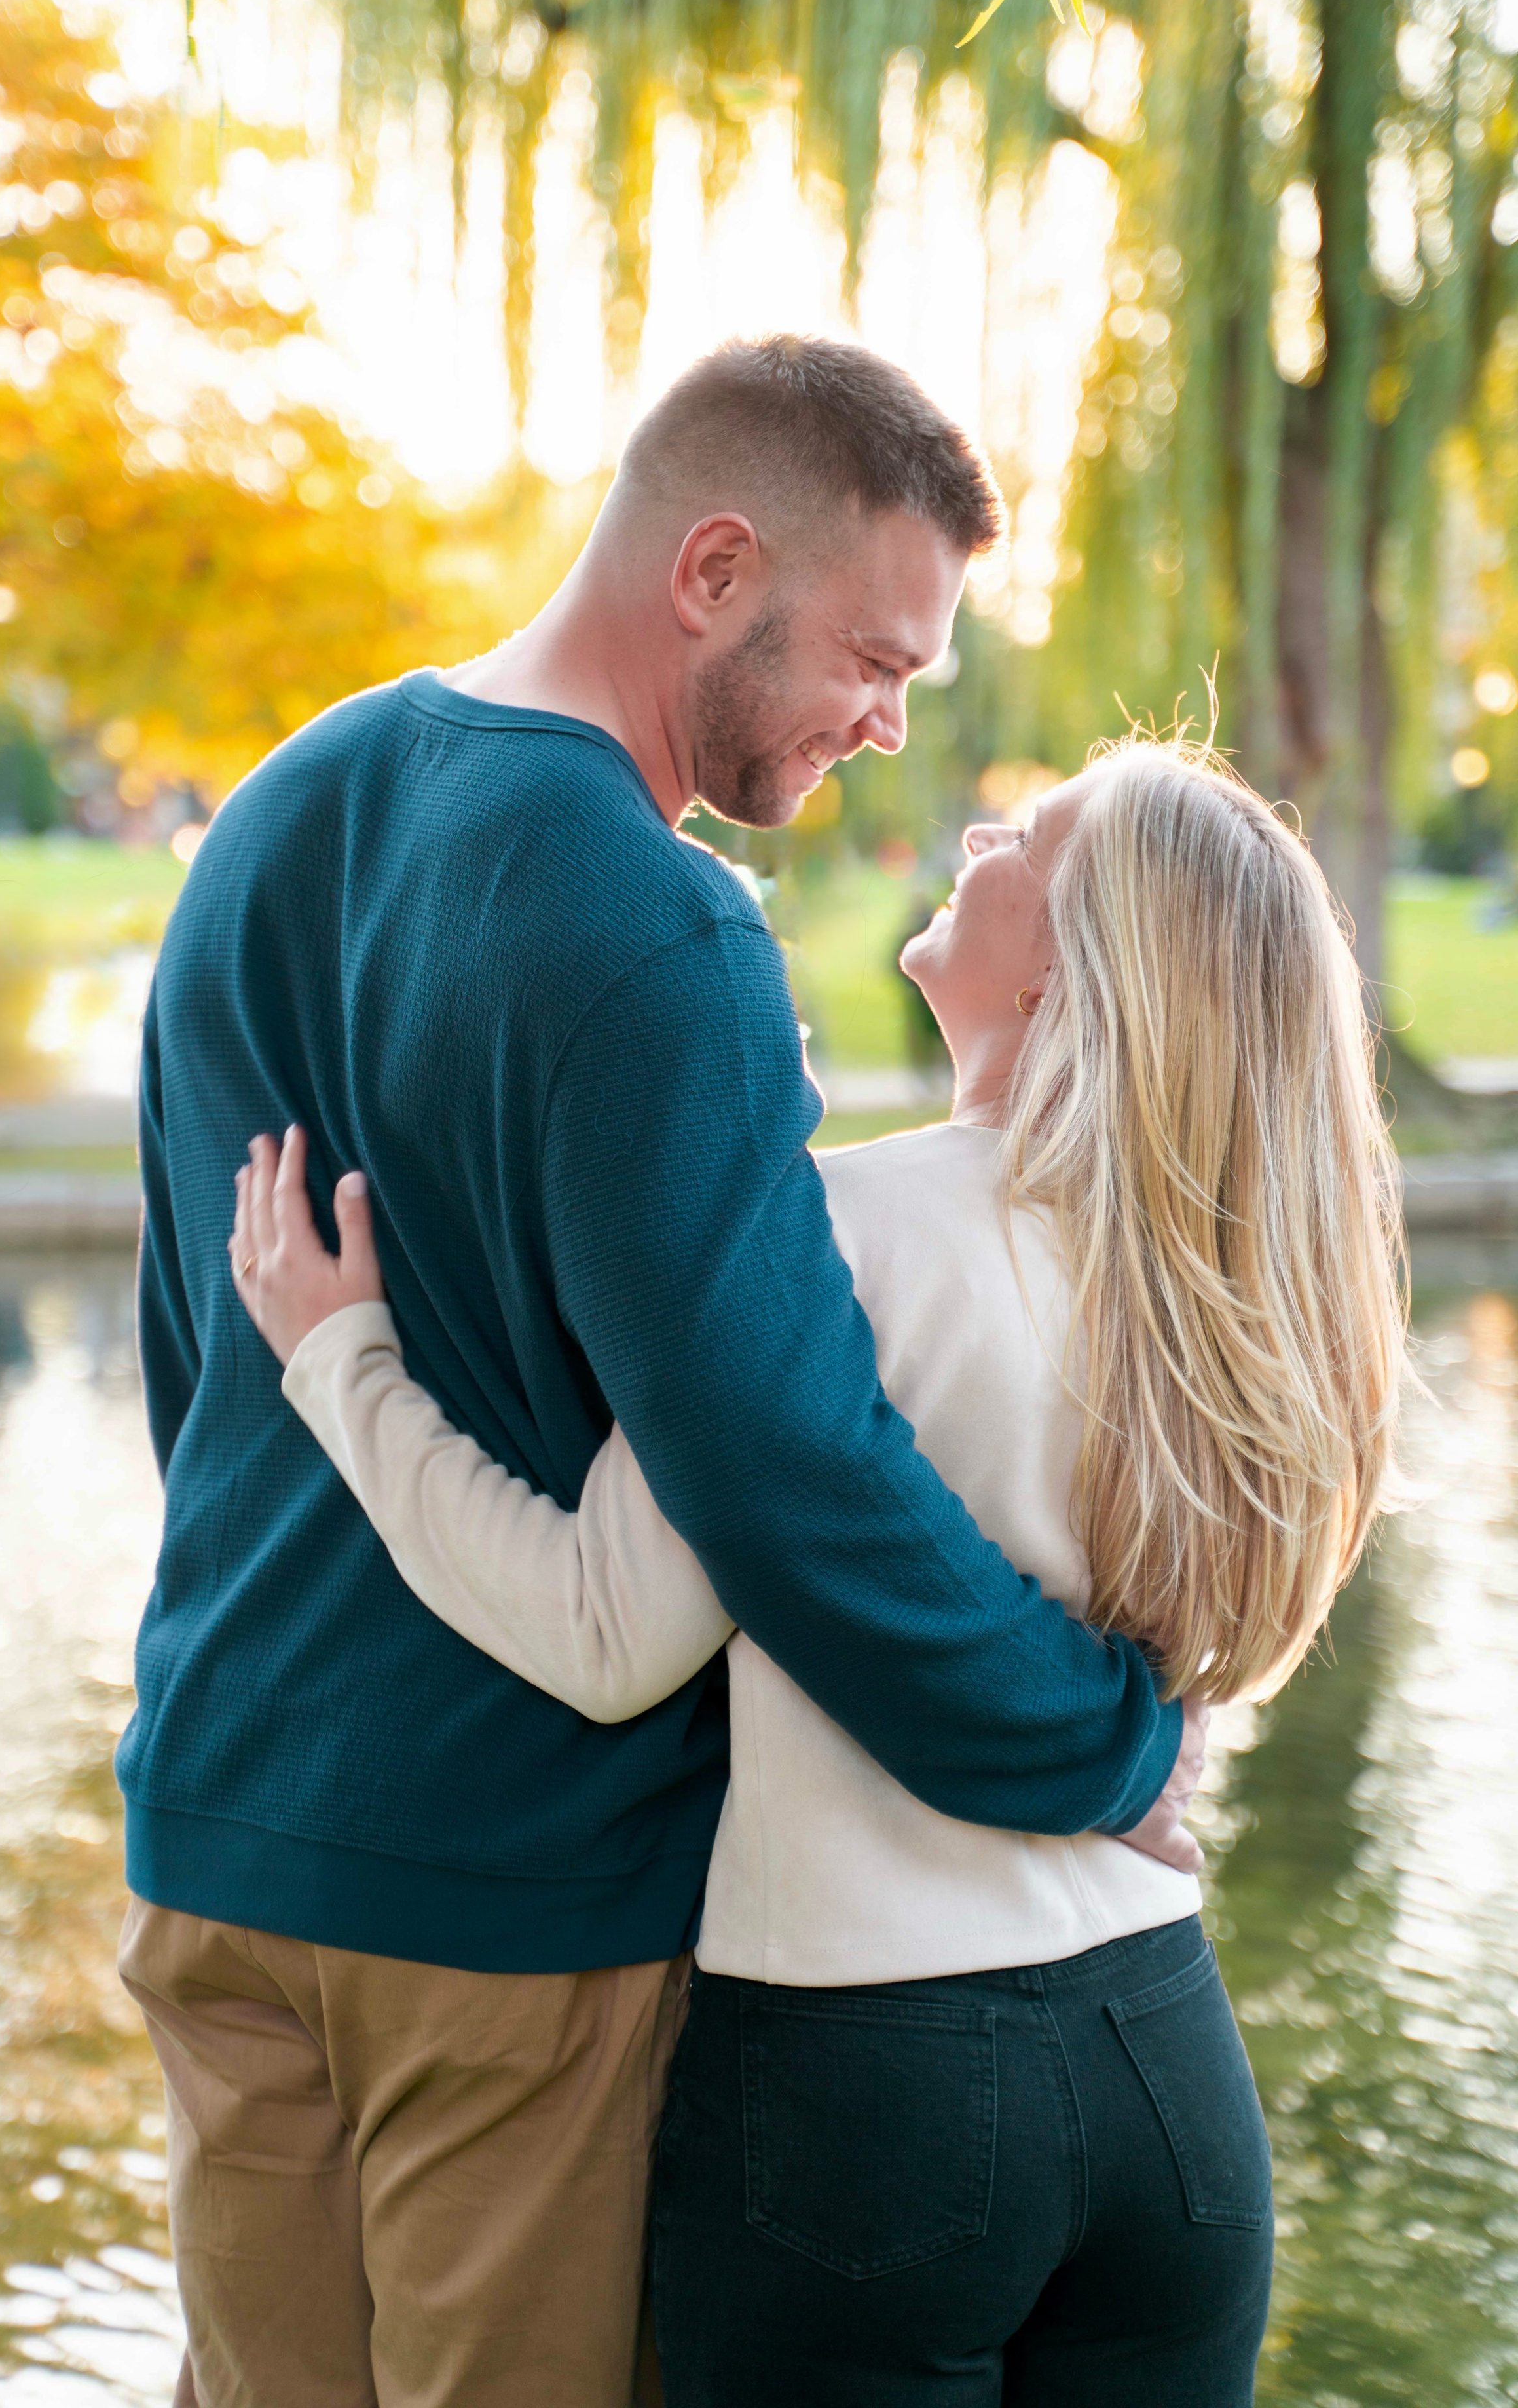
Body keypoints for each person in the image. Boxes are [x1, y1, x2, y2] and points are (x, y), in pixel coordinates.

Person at [120, 335, 1195, 2408]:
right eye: (872, 659)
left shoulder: (279, 804)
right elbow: (791, 1475)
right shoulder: (669, 931)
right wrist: (1098, 1740)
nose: (890, 727)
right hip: (506, 1903)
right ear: (714, 569)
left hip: (218, 1831)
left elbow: (201, 1339)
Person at [228, 733, 1409, 2405]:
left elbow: (600, 1626)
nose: (982, 829)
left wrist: (344, 1363)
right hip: (1169, 2077)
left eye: (1033, 833)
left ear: (1076, 961)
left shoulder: (832, 1235)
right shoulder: (1237, 1294)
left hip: (871, 2092)